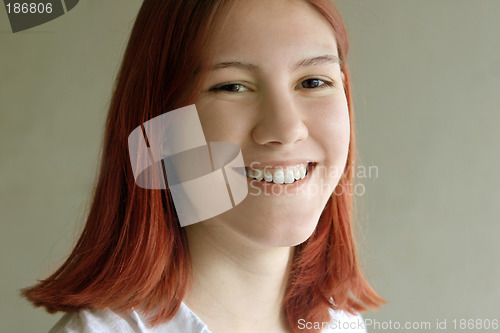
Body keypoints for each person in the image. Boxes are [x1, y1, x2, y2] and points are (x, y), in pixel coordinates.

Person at [22, 0, 384, 332]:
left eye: (313, 81)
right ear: (160, 128)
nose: (286, 129)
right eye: (231, 87)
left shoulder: (343, 324)